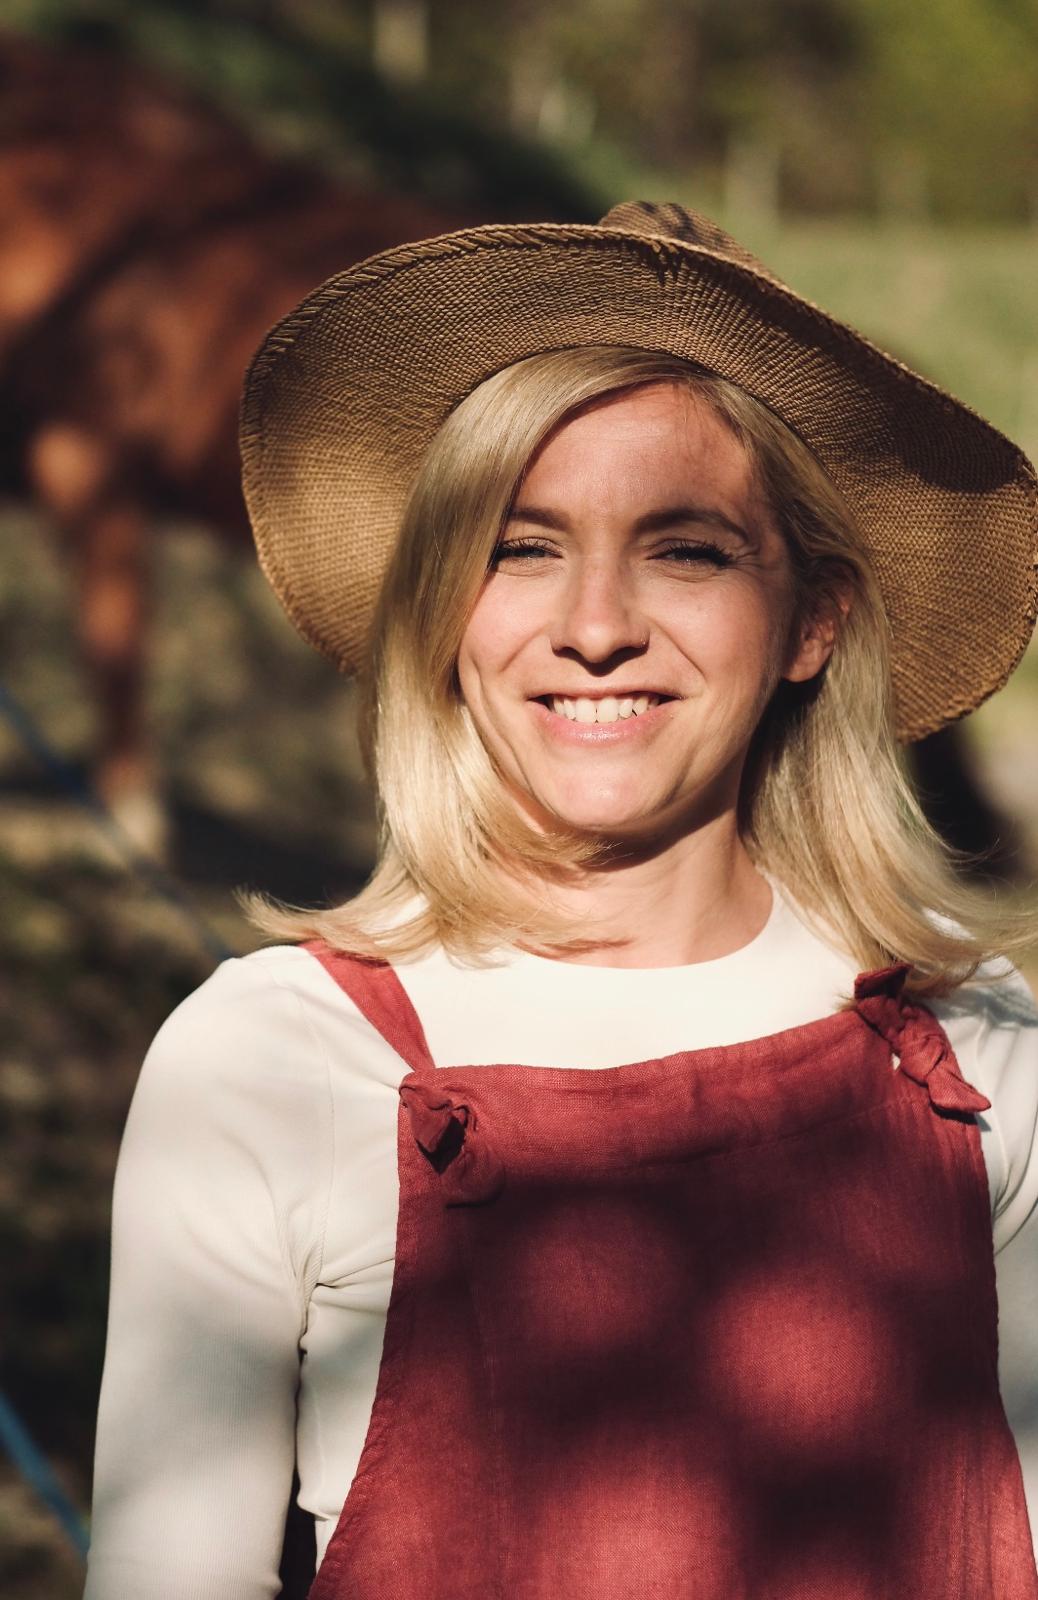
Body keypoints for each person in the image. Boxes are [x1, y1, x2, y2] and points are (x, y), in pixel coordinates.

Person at [84, 202, 1038, 1600]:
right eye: (520, 548)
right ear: (442, 618)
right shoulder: (268, 1065)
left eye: (687, 549)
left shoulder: (978, 1052)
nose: (594, 624)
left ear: (812, 622)